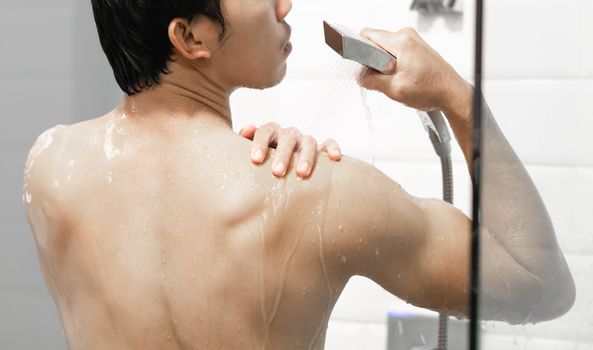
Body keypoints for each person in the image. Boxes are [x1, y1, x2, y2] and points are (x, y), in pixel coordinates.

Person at [23, 0, 575, 349]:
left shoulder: (50, 167)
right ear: (190, 38)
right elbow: (538, 284)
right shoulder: (315, 192)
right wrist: (460, 98)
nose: (285, 5)